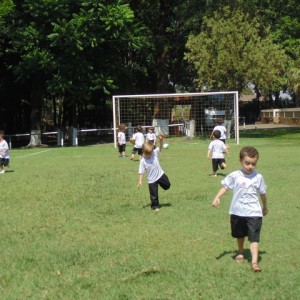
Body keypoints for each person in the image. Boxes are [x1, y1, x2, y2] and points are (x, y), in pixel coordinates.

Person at [212, 146, 268, 272]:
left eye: (253, 164)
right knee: (239, 234)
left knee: (254, 237)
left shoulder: (258, 177)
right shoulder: (235, 175)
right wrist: (217, 197)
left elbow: (262, 193)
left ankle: (254, 262)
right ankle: (241, 251)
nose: (250, 166)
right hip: (237, 211)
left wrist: (265, 206)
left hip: (254, 212)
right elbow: (225, 187)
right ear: (240, 161)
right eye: (247, 163)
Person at [137, 134, 171, 211]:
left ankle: (162, 185)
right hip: (152, 180)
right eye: (147, 154)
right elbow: (141, 171)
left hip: (160, 175)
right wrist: (140, 181)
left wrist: (161, 141)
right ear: (143, 152)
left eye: (150, 153)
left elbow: (160, 148)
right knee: (154, 195)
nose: (149, 155)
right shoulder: (142, 161)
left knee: (167, 186)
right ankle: (155, 207)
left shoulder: (154, 153)